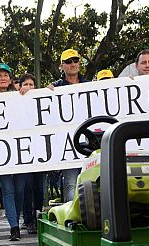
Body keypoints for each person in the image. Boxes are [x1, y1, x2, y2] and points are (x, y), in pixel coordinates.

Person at [0, 63, 27, 241]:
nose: (2, 78)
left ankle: (15, 220)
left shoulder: (21, 96)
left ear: (10, 79)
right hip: (0, 154)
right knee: (8, 191)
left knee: (19, 191)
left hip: (21, 151)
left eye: (5, 75)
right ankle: (14, 227)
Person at [48, 49, 91, 204]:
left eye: (75, 60)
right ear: (62, 66)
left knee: (91, 182)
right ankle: (72, 221)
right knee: (71, 185)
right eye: (68, 61)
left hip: (89, 142)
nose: (73, 64)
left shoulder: (90, 86)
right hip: (68, 145)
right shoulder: (55, 88)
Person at [18, 73, 45, 235]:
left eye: (31, 84)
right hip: (24, 153)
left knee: (39, 188)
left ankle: (37, 215)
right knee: (27, 187)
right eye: (25, 84)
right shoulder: (15, 101)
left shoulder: (41, 100)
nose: (29, 88)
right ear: (19, 86)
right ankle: (28, 220)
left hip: (40, 152)